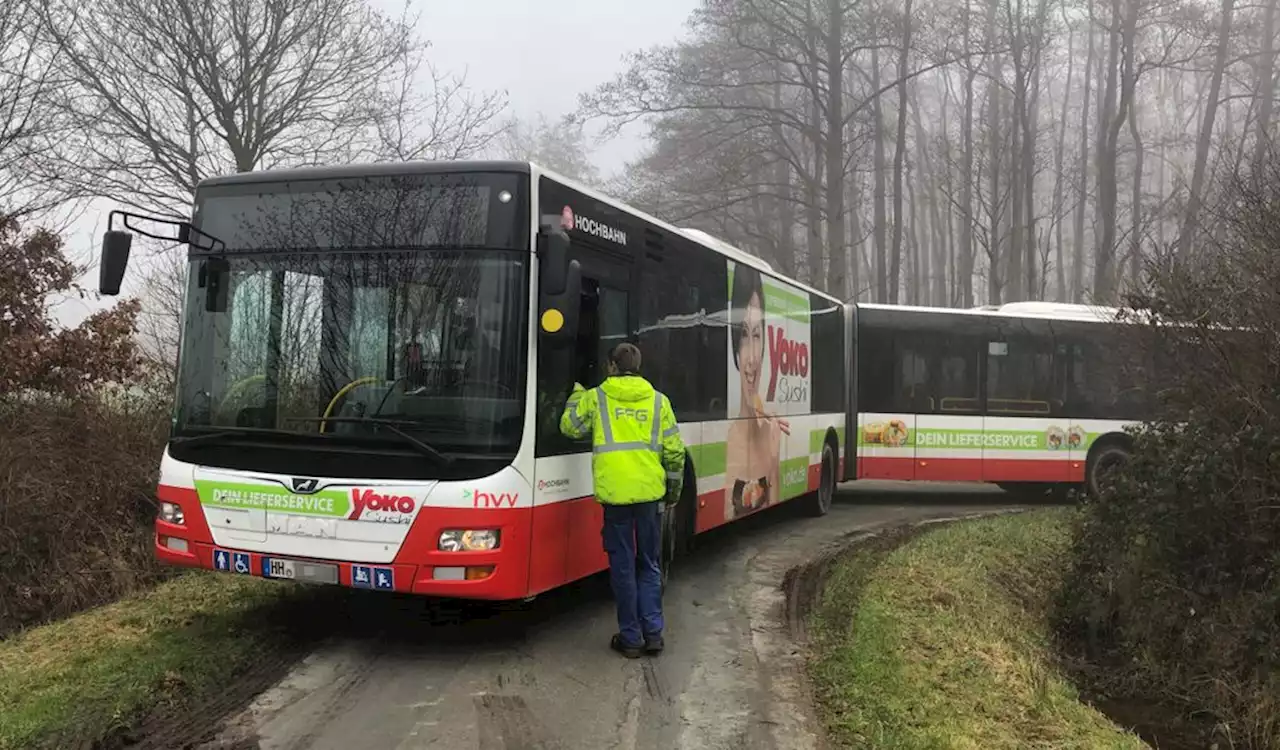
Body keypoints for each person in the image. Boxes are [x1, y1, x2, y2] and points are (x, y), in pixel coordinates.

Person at [560, 342, 685, 658]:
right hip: (649, 496)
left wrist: (575, 393)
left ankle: (631, 638)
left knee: (623, 566)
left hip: (615, 497)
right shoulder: (659, 402)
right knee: (649, 563)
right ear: (638, 367)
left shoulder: (596, 397)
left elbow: (568, 427)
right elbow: (674, 453)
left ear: (611, 366)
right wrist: (672, 492)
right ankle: (653, 633)